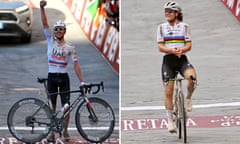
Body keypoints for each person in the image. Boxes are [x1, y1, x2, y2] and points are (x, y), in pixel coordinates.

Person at [40, 0, 84, 142]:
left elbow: (76, 65)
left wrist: (82, 81)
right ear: (54, 31)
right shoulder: (50, 41)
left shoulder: (70, 47)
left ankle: (65, 130)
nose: (58, 31)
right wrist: (42, 9)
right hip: (52, 77)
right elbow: (45, 24)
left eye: (61, 29)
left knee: (66, 106)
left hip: (64, 78)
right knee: (52, 108)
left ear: (65, 31)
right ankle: (51, 133)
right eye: (56, 29)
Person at [157, 1, 197, 133]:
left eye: (170, 11)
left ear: (176, 13)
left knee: (192, 77)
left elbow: (189, 45)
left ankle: (188, 97)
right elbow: (160, 47)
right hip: (168, 61)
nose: (167, 14)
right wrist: (172, 51)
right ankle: (170, 120)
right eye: (165, 11)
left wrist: (181, 50)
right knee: (168, 91)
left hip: (182, 60)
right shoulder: (161, 27)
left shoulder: (185, 26)